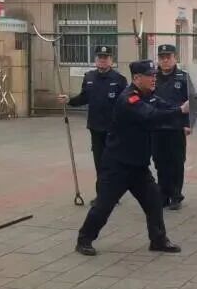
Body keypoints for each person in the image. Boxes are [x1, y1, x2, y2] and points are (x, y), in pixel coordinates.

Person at [76, 59, 189, 256]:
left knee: (153, 201)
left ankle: (158, 240)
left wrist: (185, 108)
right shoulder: (128, 99)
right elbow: (151, 116)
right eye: (150, 76)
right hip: (117, 166)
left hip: (138, 166)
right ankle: (84, 239)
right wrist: (180, 111)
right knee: (103, 206)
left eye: (154, 75)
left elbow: (164, 107)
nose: (154, 79)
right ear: (137, 78)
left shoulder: (149, 96)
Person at [57, 46, 128, 202]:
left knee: (112, 163)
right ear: (95, 60)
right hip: (95, 127)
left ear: (111, 60)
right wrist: (69, 100)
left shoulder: (119, 79)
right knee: (99, 163)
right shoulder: (89, 77)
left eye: (106, 57)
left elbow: (125, 104)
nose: (102, 60)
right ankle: (103, 195)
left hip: (113, 129)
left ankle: (112, 194)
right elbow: (84, 98)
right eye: (99, 57)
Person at [152, 44, 194, 210]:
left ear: (175, 58)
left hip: (177, 127)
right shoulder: (152, 77)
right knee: (160, 162)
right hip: (157, 126)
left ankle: (176, 195)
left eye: (168, 57)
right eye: (162, 57)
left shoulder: (183, 77)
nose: (165, 60)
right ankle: (163, 194)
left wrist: (188, 124)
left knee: (176, 162)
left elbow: (192, 102)